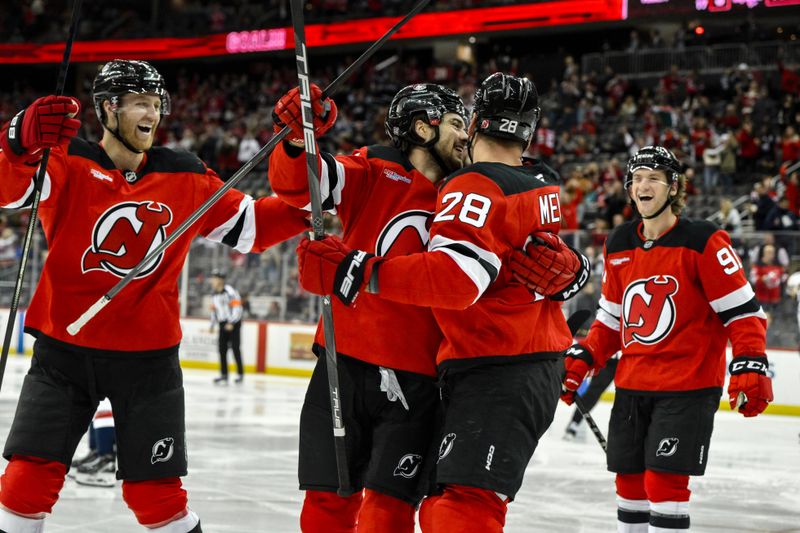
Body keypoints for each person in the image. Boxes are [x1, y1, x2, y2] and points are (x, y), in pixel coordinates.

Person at [0, 59, 309, 533]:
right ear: (107, 109)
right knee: (24, 486)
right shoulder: (65, 160)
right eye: (140, 102)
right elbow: (6, 190)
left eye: (156, 103)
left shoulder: (185, 173)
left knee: (157, 499)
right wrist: (17, 143)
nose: (153, 113)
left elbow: (255, 226)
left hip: (148, 361)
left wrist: (315, 202)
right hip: (64, 354)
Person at [295, 72, 591, 532]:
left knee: (457, 511)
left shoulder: (475, 183)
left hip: (496, 365)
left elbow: (455, 281)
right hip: (490, 364)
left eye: (461, 122)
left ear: (474, 127)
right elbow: (297, 187)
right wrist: (297, 141)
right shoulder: (536, 180)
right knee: (438, 505)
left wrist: (354, 272)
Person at [268, 81, 469, 533]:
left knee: (388, 512)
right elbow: (301, 188)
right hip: (343, 362)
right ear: (423, 128)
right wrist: (299, 138)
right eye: (457, 124)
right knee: (327, 502)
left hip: (418, 378)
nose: (466, 137)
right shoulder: (375, 167)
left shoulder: (470, 191)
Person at [559, 146, 772, 532]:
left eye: (653, 178)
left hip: (688, 385)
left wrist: (751, 360)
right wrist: (585, 356)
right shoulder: (619, 242)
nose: (643, 185)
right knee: (629, 483)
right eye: (637, 178)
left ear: (674, 187)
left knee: (664, 483)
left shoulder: (704, 241)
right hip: (632, 382)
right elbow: (611, 318)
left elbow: (744, 313)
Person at [209, 270, 244, 384]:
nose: (212, 281)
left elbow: (237, 308)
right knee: (222, 349)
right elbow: (214, 311)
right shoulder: (214, 294)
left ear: (220, 280)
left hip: (234, 323)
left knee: (235, 348)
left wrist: (232, 323)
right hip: (222, 323)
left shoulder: (230, 292)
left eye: (214, 278)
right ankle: (224, 374)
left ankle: (240, 374)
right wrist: (212, 324)